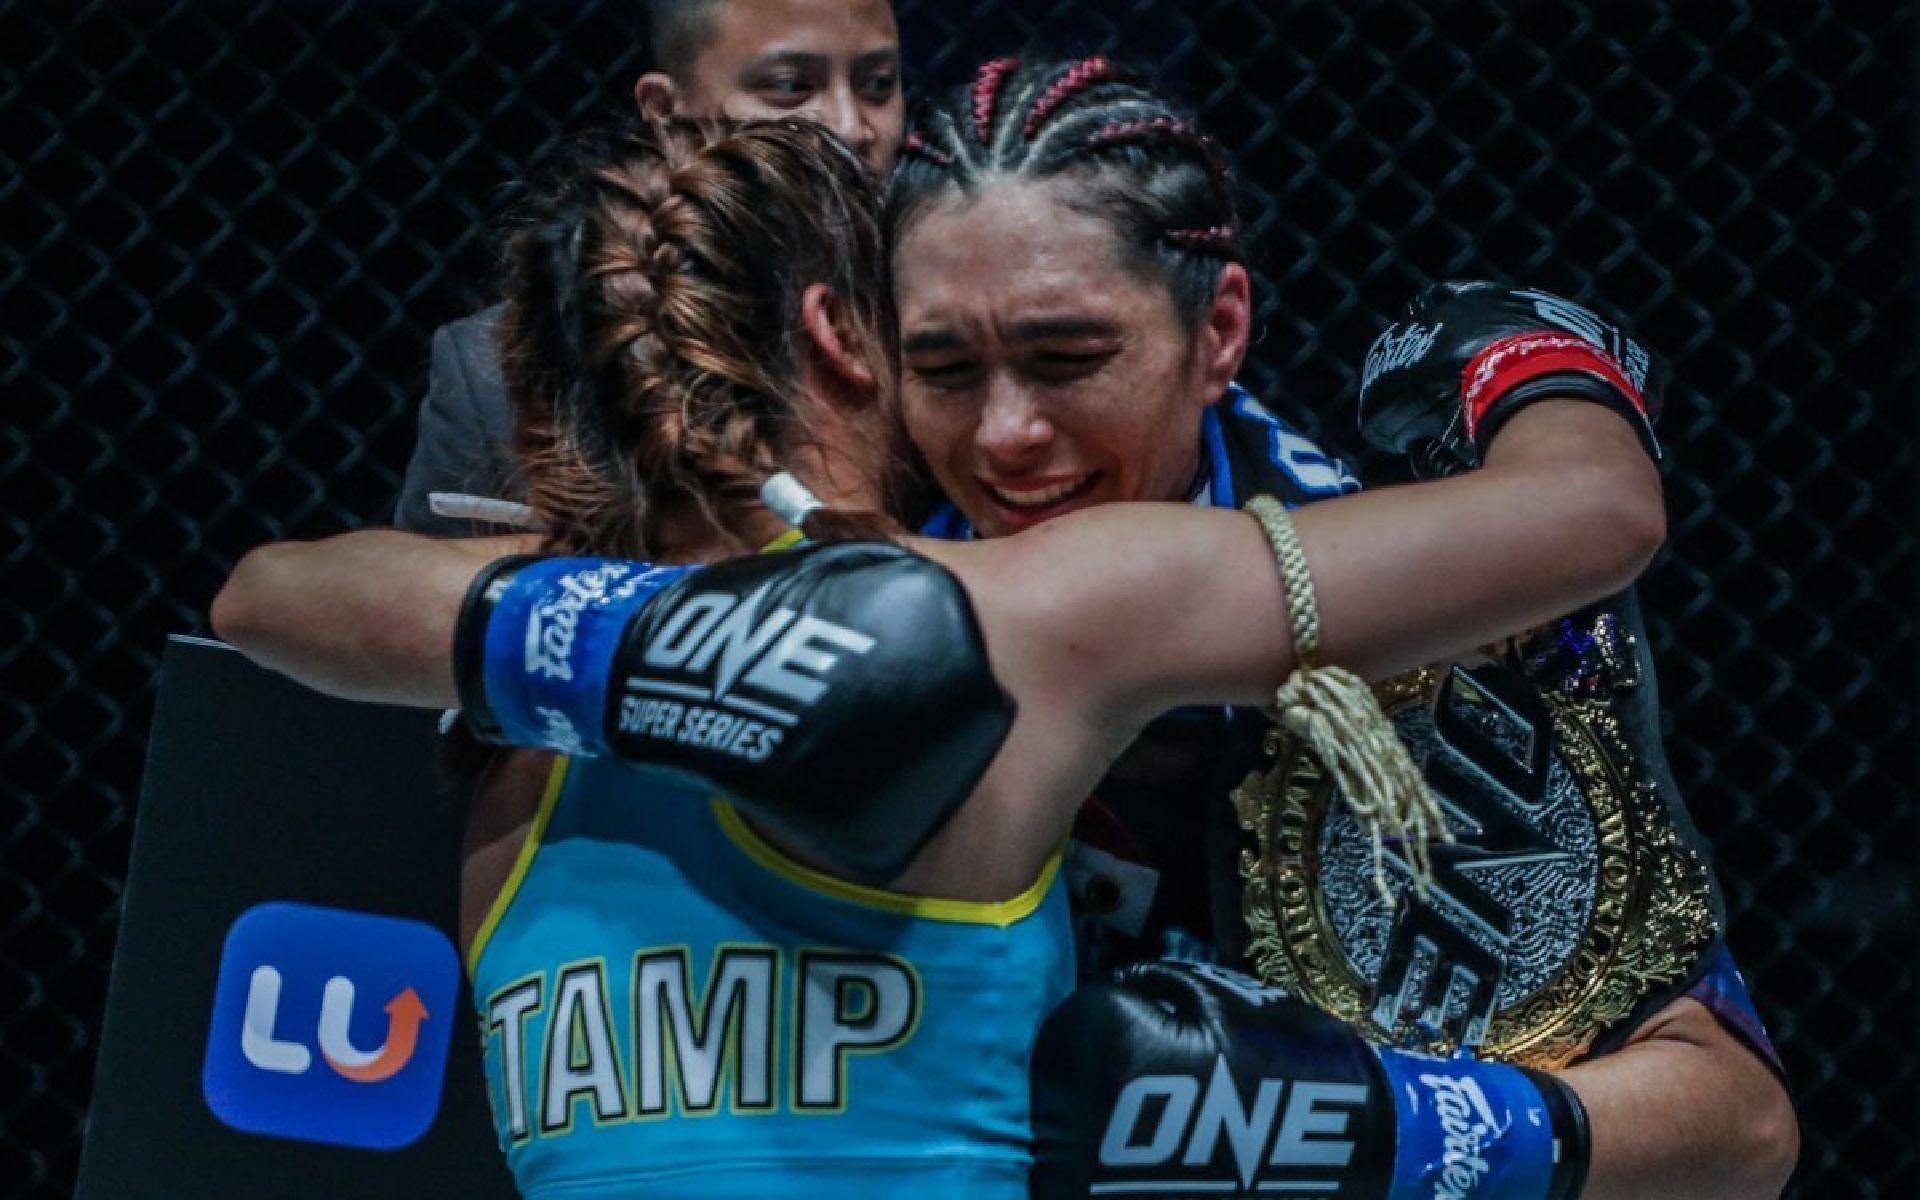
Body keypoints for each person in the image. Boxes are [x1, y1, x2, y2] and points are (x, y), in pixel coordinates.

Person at [215, 112, 1670, 1199]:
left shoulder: (501, 755)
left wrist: (630, 644)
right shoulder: (1015, 620)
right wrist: (1535, 363)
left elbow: (266, 597)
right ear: (849, 341)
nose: (998, 434)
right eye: (942, 358)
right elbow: (1587, 519)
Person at [881, 57, 1797, 1200]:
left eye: (1069, 359)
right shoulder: (843, 578)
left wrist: (1399, 1131)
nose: (1005, 432)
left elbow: (1739, 1122)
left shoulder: (1423, 622)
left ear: (1220, 330)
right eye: (946, 370)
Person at [394, 0, 905, 536]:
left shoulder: (943, 320)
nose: (851, 128)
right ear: (663, 108)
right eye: (789, 86)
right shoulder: (505, 364)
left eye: (879, 84)